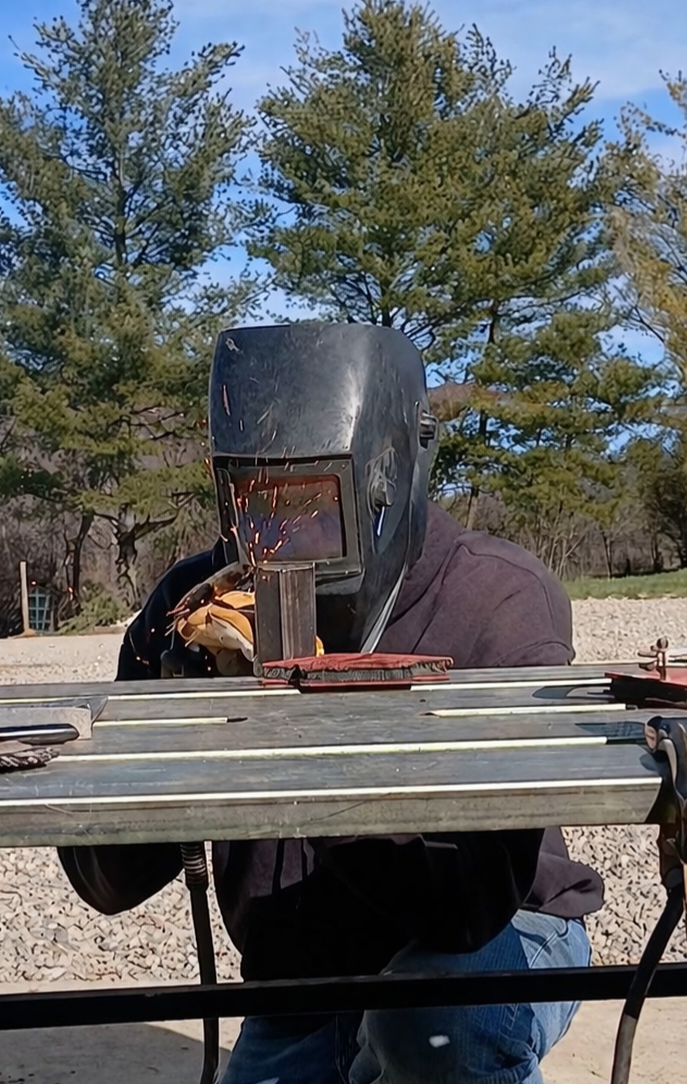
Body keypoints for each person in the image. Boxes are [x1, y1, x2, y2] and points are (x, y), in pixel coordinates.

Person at [58, 323, 603, 1084]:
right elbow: (103, 883)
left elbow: (468, 909)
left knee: (432, 1024)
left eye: (314, 508)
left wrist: (306, 742)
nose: (284, 546)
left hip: (497, 936)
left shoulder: (495, 597)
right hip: (300, 979)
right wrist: (176, 725)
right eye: (259, 511)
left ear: (389, 475)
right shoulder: (193, 603)